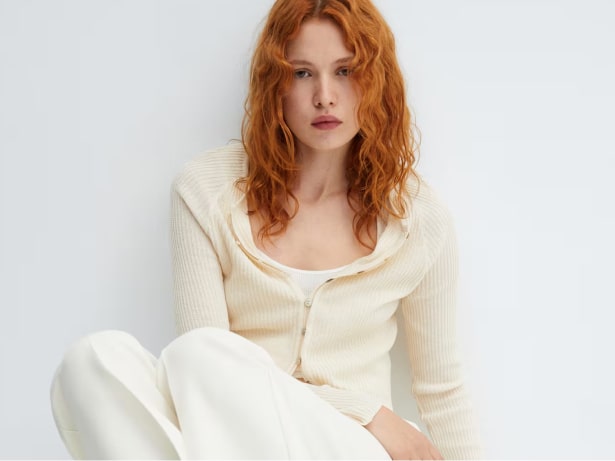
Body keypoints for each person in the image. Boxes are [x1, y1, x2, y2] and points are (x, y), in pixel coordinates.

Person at [50, 0, 482, 459]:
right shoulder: (206, 192)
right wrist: (368, 411)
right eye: (302, 73)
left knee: (198, 353)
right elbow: (202, 375)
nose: (324, 96)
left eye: (345, 71)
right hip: (241, 431)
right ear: (275, 83)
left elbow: (442, 389)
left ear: (376, 81)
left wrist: (361, 422)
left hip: (347, 446)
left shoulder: (416, 218)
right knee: (93, 361)